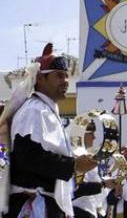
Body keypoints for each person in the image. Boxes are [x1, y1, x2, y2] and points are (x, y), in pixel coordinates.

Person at [2, 44, 96, 218]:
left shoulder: (47, 111)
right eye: (59, 76)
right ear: (40, 78)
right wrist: (73, 165)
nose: (66, 81)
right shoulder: (34, 109)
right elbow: (28, 155)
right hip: (33, 207)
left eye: (67, 76)